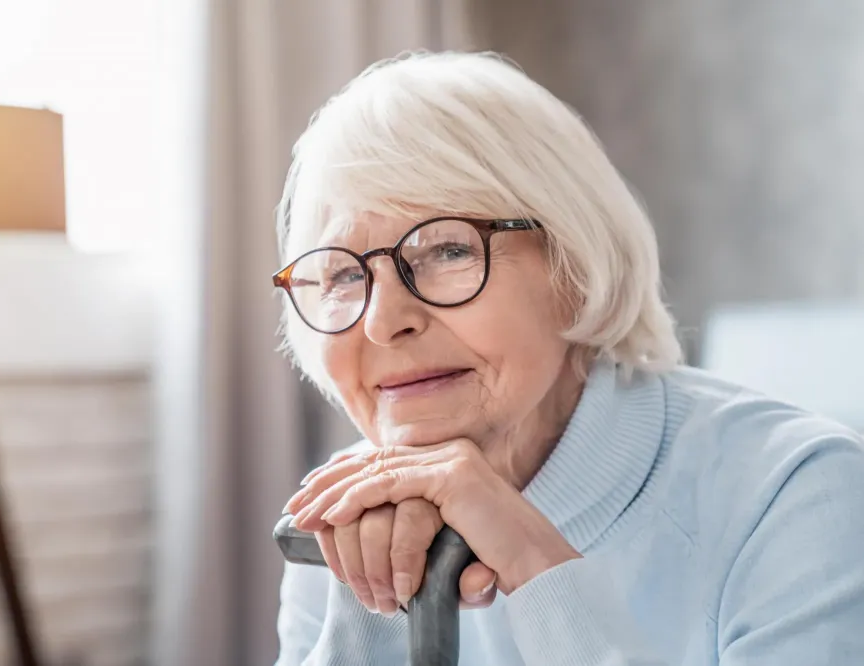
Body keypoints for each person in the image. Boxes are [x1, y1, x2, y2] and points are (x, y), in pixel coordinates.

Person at [270, 50, 864, 665]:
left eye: (447, 250)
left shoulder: (800, 495)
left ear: (576, 266)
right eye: (342, 273)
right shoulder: (343, 518)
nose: (385, 322)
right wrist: (370, 617)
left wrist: (535, 567)